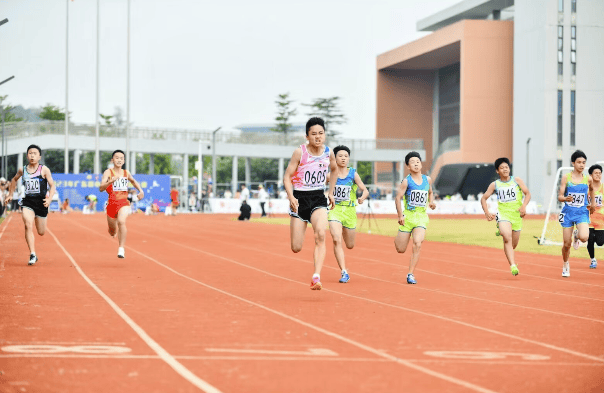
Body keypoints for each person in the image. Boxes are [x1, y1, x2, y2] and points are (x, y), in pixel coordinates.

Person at [284, 117, 338, 290]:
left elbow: (335, 170)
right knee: (296, 247)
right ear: (307, 136)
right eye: (313, 134)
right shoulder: (300, 152)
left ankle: (316, 277)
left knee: (321, 234)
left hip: (318, 198)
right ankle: (300, 227)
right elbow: (287, 176)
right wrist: (291, 196)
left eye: (321, 133)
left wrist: (330, 192)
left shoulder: (328, 153)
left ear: (325, 135)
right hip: (300, 199)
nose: (318, 137)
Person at [4, 144, 56, 265]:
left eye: (35, 153)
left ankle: (34, 252)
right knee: (27, 224)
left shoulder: (44, 169)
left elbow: (52, 185)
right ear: (27, 156)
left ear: (39, 157)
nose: (32, 155)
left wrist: (49, 199)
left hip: (42, 203)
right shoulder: (23, 169)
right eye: (30, 153)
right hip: (28, 202)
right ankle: (32, 253)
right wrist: (11, 194)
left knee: (41, 232)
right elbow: (14, 180)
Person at [480, 157, 531, 276]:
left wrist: (524, 206)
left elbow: (527, 193)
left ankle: (502, 231)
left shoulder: (517, 180)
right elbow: (483, 198)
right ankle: (513, 265)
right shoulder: (495, 184)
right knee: (507, 237)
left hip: (517, 215)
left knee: (513, 244)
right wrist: (487, 212)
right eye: (502, 168)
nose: (505, 169)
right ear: (497, 171)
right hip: (503, 214)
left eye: (506, 167)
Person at [327, 145, 369, 283]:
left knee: (350, 245)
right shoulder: (330, 175)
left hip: (350, 212)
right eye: (340, 156)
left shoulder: (353, 174)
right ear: (335, 158)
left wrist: (362, 197)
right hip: (335, 210)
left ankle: (345, 234)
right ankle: (344, 272)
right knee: (336, 239)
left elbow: (365, 190)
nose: (343, 158)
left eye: (346, 156)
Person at [394, 151, 436, 284]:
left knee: (418, 243)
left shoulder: (427, 179)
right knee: (400, 249)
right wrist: (400, 215)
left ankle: (410, 274)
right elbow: (398, 197)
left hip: (421, 217)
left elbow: (430, 192)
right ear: (408, 166)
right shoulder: (406, 181)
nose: (416, 164)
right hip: (408, 217)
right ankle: (400, 237)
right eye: (413, 162)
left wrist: (431, 201)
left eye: (418, 161)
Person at [557, 150, 596, 277]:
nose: (582, 165)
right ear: (573, 163)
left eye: (584, 163)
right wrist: (565, 198)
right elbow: (560, 196)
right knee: (566, 244)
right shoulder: (566, 178)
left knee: (585, 237)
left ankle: (577, 235)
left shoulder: (588, 179)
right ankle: (565, 263)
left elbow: (592, 190)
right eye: (579, 162)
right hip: (568, 213)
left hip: (582, 212)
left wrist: (593, 203)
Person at [99, 149, 144, 259]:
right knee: (112, 231)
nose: (119, 160)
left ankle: (121, 248)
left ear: (124, 161)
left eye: (121, 158)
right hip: (111, 204)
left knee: (121, 221)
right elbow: (101, 188)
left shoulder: (126, 173)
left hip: (124, 202)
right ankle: (112, 231)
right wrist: (110, 181)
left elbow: (133, 181)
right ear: (112, 160)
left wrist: (141, 191)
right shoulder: (108, 172)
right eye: (117, 157)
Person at [587, 164, 603, 269]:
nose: (598, 175)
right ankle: (593, 259)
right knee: (590, 240)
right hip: (588, 218)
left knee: (600, 242)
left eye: (600, 173)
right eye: (595, 173)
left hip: (601, 220)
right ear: (591, 175)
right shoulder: (587, 188)